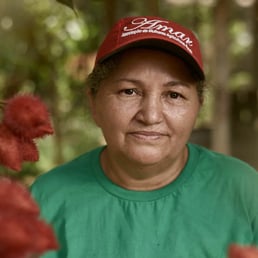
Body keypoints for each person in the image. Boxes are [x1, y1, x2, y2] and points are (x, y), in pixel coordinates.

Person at [30, 16, 258, 258]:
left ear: (198, 107)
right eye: (129, 91)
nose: (150, 116)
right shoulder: (46, 200)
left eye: (173, 95)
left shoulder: (245, 190)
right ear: (94, 103)